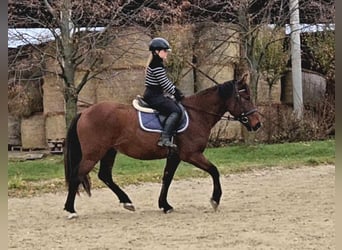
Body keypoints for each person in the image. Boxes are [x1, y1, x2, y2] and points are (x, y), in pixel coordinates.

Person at [143, 37, 185, 148]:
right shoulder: (156, 65)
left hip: (155, 94)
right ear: (157, 52)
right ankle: (164, 139)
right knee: (176, 111)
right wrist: (177, 93)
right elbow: (164, 83)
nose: (166, 53)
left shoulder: (157, 63)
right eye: (164, 51)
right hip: (154, 96)